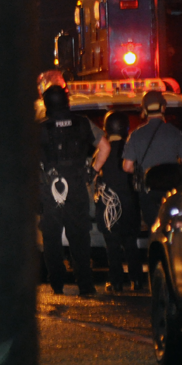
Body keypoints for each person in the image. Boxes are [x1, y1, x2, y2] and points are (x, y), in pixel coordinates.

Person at [37, 85, 110, 296]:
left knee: (51, 238)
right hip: (77, 186)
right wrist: (92, 171)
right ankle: (85, 285)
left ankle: (57, 284)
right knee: (79, 236)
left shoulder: (40, 128)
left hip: (50, 189)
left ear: (46, 103)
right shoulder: (83, 122)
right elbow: (105, 147)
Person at [123, 91, 182, 232]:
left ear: (144, 110)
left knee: (153, 230)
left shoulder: (136, 135)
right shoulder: (176, 133)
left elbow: (127, 167)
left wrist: (142, 171)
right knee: (171, 230)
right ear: (163, 108)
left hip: (148, 193)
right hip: (171, 192)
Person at [95, 112, 144, 292]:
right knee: (131, 244)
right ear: (126, 128)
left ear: (107, 128)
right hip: (130, 203)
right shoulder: (132, 149)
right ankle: (137, 280)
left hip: (109, 205)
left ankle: (116, 281)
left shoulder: (102, 151)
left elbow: (95, 178)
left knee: (112, 245)